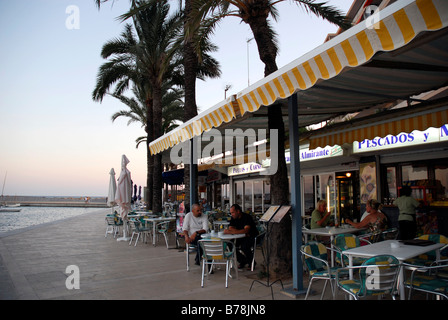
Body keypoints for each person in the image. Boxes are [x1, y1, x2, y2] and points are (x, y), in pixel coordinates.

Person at [224, 204, 259, 270]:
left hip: (252, 236)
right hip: (240, 237)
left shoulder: (247, 217)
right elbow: (231, 228)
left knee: (244, 246)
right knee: (229, 244)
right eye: (231, 213)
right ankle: (243, 260)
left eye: (233, 212)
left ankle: (251, 262)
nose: (232, 214)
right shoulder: (233, 218)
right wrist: (239, 231)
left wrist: (234, 231)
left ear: (238, 211)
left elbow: (246, 230)